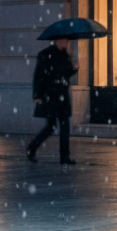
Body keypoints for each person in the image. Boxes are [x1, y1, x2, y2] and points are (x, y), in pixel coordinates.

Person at [27, 37, 78, 165]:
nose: (64, 43)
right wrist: (37, 95)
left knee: (65, 127)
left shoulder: (66, 56)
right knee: (51, 126)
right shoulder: (45, 54)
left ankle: (65, 157)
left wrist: (74, 69)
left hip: (62, 96)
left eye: (66, 41)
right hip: (50, 96)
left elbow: (65, 74)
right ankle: (32, 148)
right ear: (55, 41)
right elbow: (39, 76)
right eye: (62, 40)